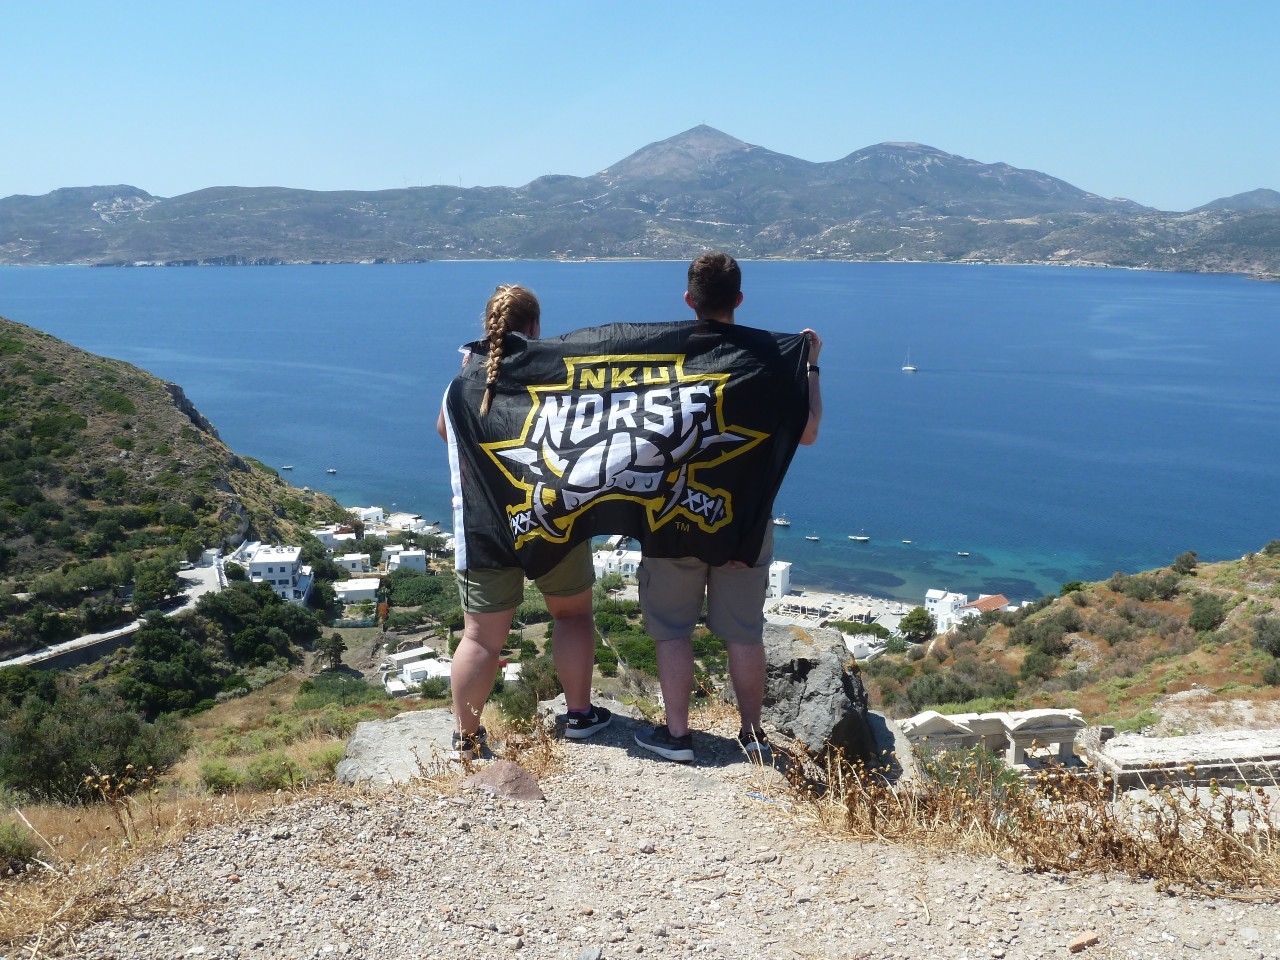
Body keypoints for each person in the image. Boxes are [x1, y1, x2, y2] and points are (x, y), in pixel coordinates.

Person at [634, 252, 822, 764]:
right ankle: (753, 734)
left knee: (672, 629)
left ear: (688, 300)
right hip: (743, 522)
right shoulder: (769, 358)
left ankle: (677, 738)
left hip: (671, 519)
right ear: (739, 299)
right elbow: (806, 432)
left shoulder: (656, 356)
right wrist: (811, 365)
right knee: (743, 632)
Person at [437, 284, 610, 758]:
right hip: (552, 515)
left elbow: (443, 430)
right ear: (535, 327)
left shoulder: (465, 380)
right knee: (572, 614)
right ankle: (579, 715)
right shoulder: (555, 370)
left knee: (480, 638)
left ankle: (467, 739)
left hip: (485, 526)